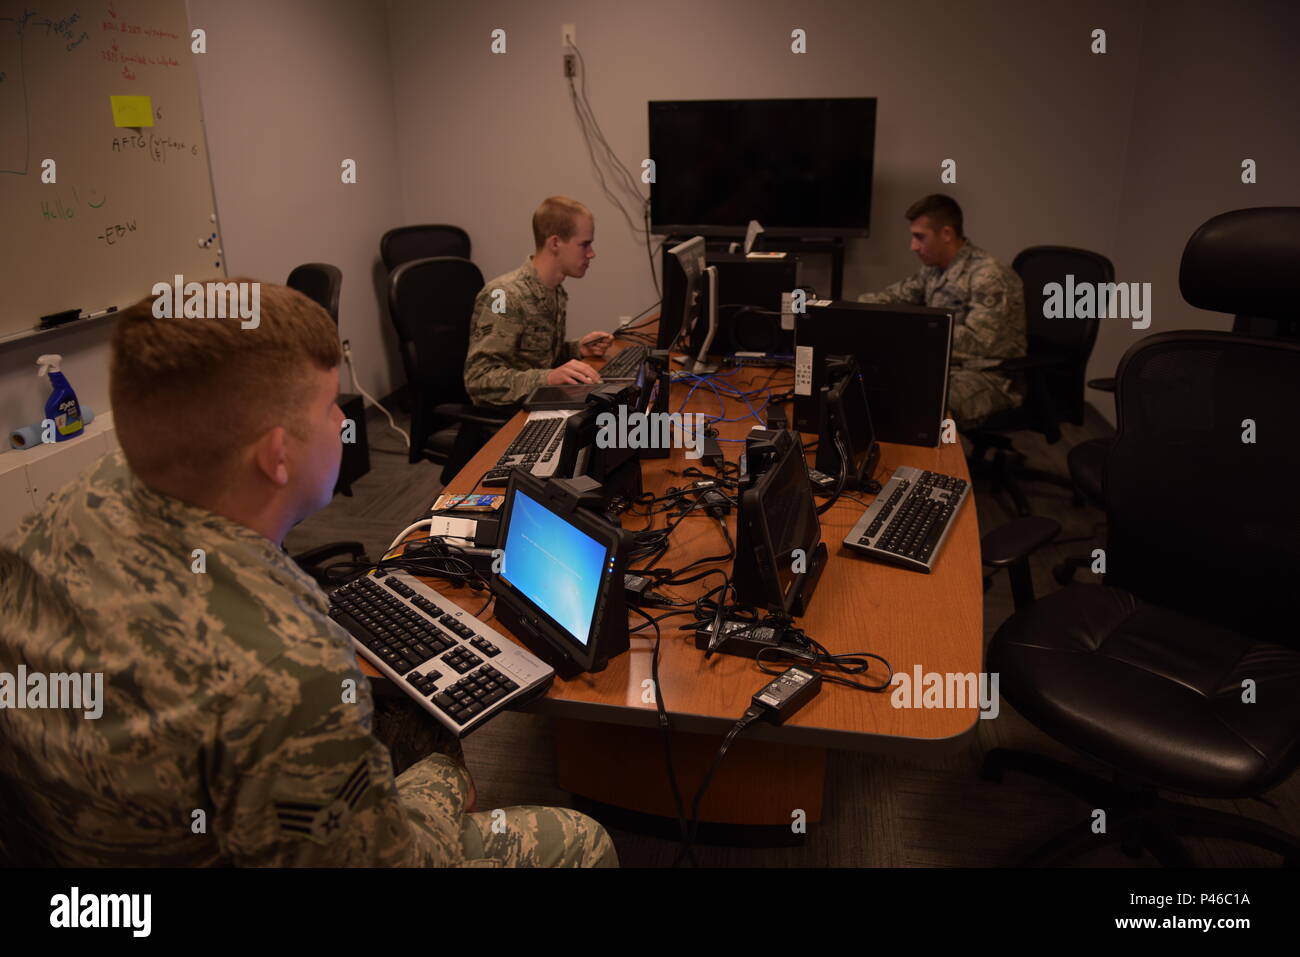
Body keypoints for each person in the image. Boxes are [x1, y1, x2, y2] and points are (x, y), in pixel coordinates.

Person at [0, 280, 617, 867]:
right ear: (278, 455)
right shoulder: (289, 663)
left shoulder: (67, 508)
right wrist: (444, 781)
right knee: (580, 838)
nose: (343, 424)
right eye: (330, 408)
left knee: (400, 713)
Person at [858, 194, 1027, 428]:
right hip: (944, 366)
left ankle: (933, 464)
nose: (913, 246)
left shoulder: (988, 276)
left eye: (920, 237)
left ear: (946, 234)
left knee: (918, 402)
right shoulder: (934, 270)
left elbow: (979, 342)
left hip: (989, 377)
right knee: (870, 384)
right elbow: (894, 297)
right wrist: (849, 309)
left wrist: (912, 334)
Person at [464, 196, 614, 408]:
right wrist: (548, 378)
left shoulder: (554, 290)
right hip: (508, 418)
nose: (592, 254)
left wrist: (576, 349)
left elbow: (535, 358)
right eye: (584, 244)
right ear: (555, 243)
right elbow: (479, 380)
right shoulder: (504, 296)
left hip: (539, 402)